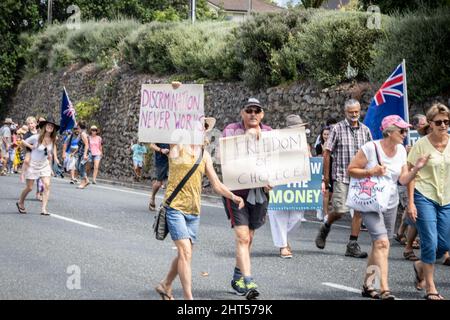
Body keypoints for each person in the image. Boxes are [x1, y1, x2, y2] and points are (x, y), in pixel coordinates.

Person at [155, 108, 244, 300]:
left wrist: (233, 196)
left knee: (184, 255)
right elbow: (169, 125)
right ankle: (189, 299)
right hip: (175, 208)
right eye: (198, 125)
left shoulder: (204, 155)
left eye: (204, 127)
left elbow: (216, 184)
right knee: (185, 252)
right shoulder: (177, 148)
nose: (201, 129)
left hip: (194, 211)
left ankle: (165, 284)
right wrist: (175, 92)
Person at [348, 115, 430, 300]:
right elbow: (351, 169)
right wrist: (371, 171)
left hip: (390, 202)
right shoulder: (370, 148)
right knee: (382, 242)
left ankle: (368, 285)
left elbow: (402, 179)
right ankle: (384, 288)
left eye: (406, 130)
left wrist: (415, 169)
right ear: (389, 131)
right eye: (401, 130)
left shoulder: (401, 150)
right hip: (369, 202)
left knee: (380, 244)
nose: (405, 133)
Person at [221, 97, 272, 299]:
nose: (252, 114)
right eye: (249, 110)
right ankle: (249, 281)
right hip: (237, 195)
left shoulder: (269, 134)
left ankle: (237, 276)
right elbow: (224, 157)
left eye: (256, 111)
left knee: (249, 237)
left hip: (259, 193)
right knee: (242, 237)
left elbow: (276, 162)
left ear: (262, 114)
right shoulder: (230, 131)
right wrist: (247, 137)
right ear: (242, 113)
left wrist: (271, 179)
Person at [315, 99, 372, 258]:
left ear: (360, 111)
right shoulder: (337, 129)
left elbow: (370, 153)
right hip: (341, 176)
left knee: (359, 212)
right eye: (350, 112)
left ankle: (352, 245)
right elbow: (327, 153)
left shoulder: (366, 130)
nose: (354, 115)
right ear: (345, 112)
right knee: (340, 210)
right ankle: (326, 225)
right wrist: (326, 177)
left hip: (360, 177)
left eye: (356, 111)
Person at [407, 103, 450, 300]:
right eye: (439, 122)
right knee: (430, 242)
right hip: (424, 196)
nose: (443, 125)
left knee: (444, 244)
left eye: (447, 121)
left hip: (447, 198)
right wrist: (410, 202)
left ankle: (420, 266)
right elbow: (410, 173)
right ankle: (430, 288)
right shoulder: (421, 145)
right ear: (430, 123)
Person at [268, 114, 310, 259]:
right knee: (279, 215)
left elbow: (311, 164)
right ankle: (283, 245)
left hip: (299, 185)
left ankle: (284, 239)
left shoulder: (305, 145)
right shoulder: (277, 144)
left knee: (297, 217)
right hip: (280, 184)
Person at [16, 116, 60, 215]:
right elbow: (23, 143)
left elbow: (49, 154)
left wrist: (52, 166)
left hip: (44, 164)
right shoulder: (36, 137)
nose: (50, 127)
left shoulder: (52, 140)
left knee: (47, 185)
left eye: (52, 126)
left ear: (53, 129)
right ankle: (20, 202)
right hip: (33, 164)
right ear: (44, 126)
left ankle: (44, 209)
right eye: (48, 125)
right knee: (29, 188)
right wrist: (30, 146)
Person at [315, 125, 332, 222]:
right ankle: (326, 214)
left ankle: (321, 206)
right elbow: (319, 159)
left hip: (333, 171)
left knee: (330, 194)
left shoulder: (334, 145)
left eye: (328, 134)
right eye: (324, 134)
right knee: (325, 192)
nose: (326, 136)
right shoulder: (319, 146)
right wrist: (324, 150)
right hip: (323, 171)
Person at [148, 142, 170, 211]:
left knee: (171, 183)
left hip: (173, 161)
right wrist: (161, 150)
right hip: (161, 161)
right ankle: (152, 197)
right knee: (159, 183)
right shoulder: (159, 132)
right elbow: (151, 145)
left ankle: (167, 204)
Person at [76, 122, 90, 189]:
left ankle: (83, 182)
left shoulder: (83, 134)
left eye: (77, 127)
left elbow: (87, 145)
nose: (76, 128)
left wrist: (85, 154)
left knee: (81, 167)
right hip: (80, 153)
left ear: (79, 127)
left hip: (84, 153)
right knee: (78, 166)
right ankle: (86, 180)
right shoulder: (81, 133)